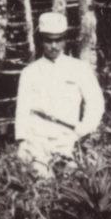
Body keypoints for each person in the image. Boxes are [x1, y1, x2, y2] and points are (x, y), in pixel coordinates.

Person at [13, 10, 104, 173]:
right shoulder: (29, 72)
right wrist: (22, 142)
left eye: (58, 40)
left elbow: (96, 103)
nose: (53, 46)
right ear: (41, 40)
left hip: (67, 139)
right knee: (40, 183)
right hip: (37, 140)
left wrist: (84, 129)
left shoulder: (79, 69)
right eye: (48, 40)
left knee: (70, 183)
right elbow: (22, 110)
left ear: (64, 40)